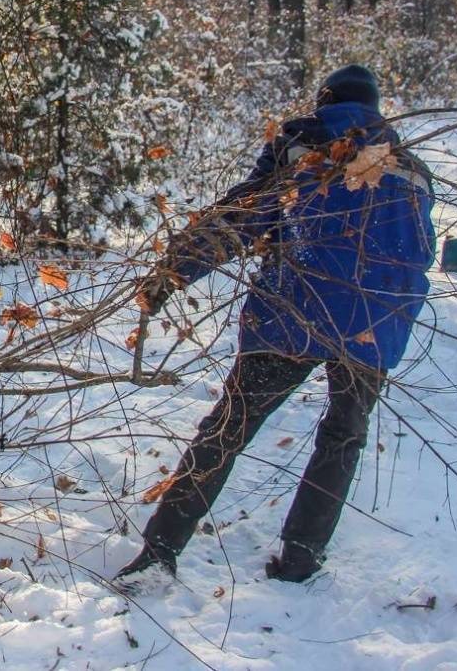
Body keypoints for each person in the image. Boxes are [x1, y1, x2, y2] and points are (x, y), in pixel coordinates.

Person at [119, 64, 436, 587]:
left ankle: (160, 550)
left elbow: (242, 219)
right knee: (343, 438)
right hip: (376, 324)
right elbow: (416, 253)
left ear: (324, 101)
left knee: (228, 429)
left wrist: (172, 271)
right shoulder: (412, 168)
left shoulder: (301, 146)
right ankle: (301, 559)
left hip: (294, 311)